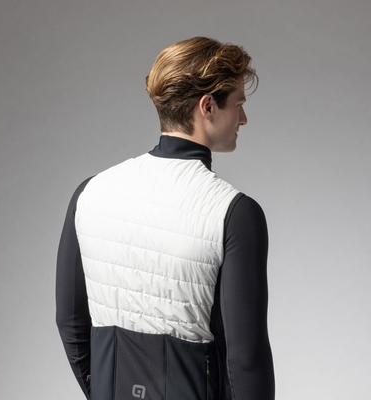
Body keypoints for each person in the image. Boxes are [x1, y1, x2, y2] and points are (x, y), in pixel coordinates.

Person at [56, 36, 275, 400]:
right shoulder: (234, 213)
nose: (243, 119)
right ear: (208, 106)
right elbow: (246, 358)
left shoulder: (89, 193)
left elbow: (71, 321)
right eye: (238, 105)